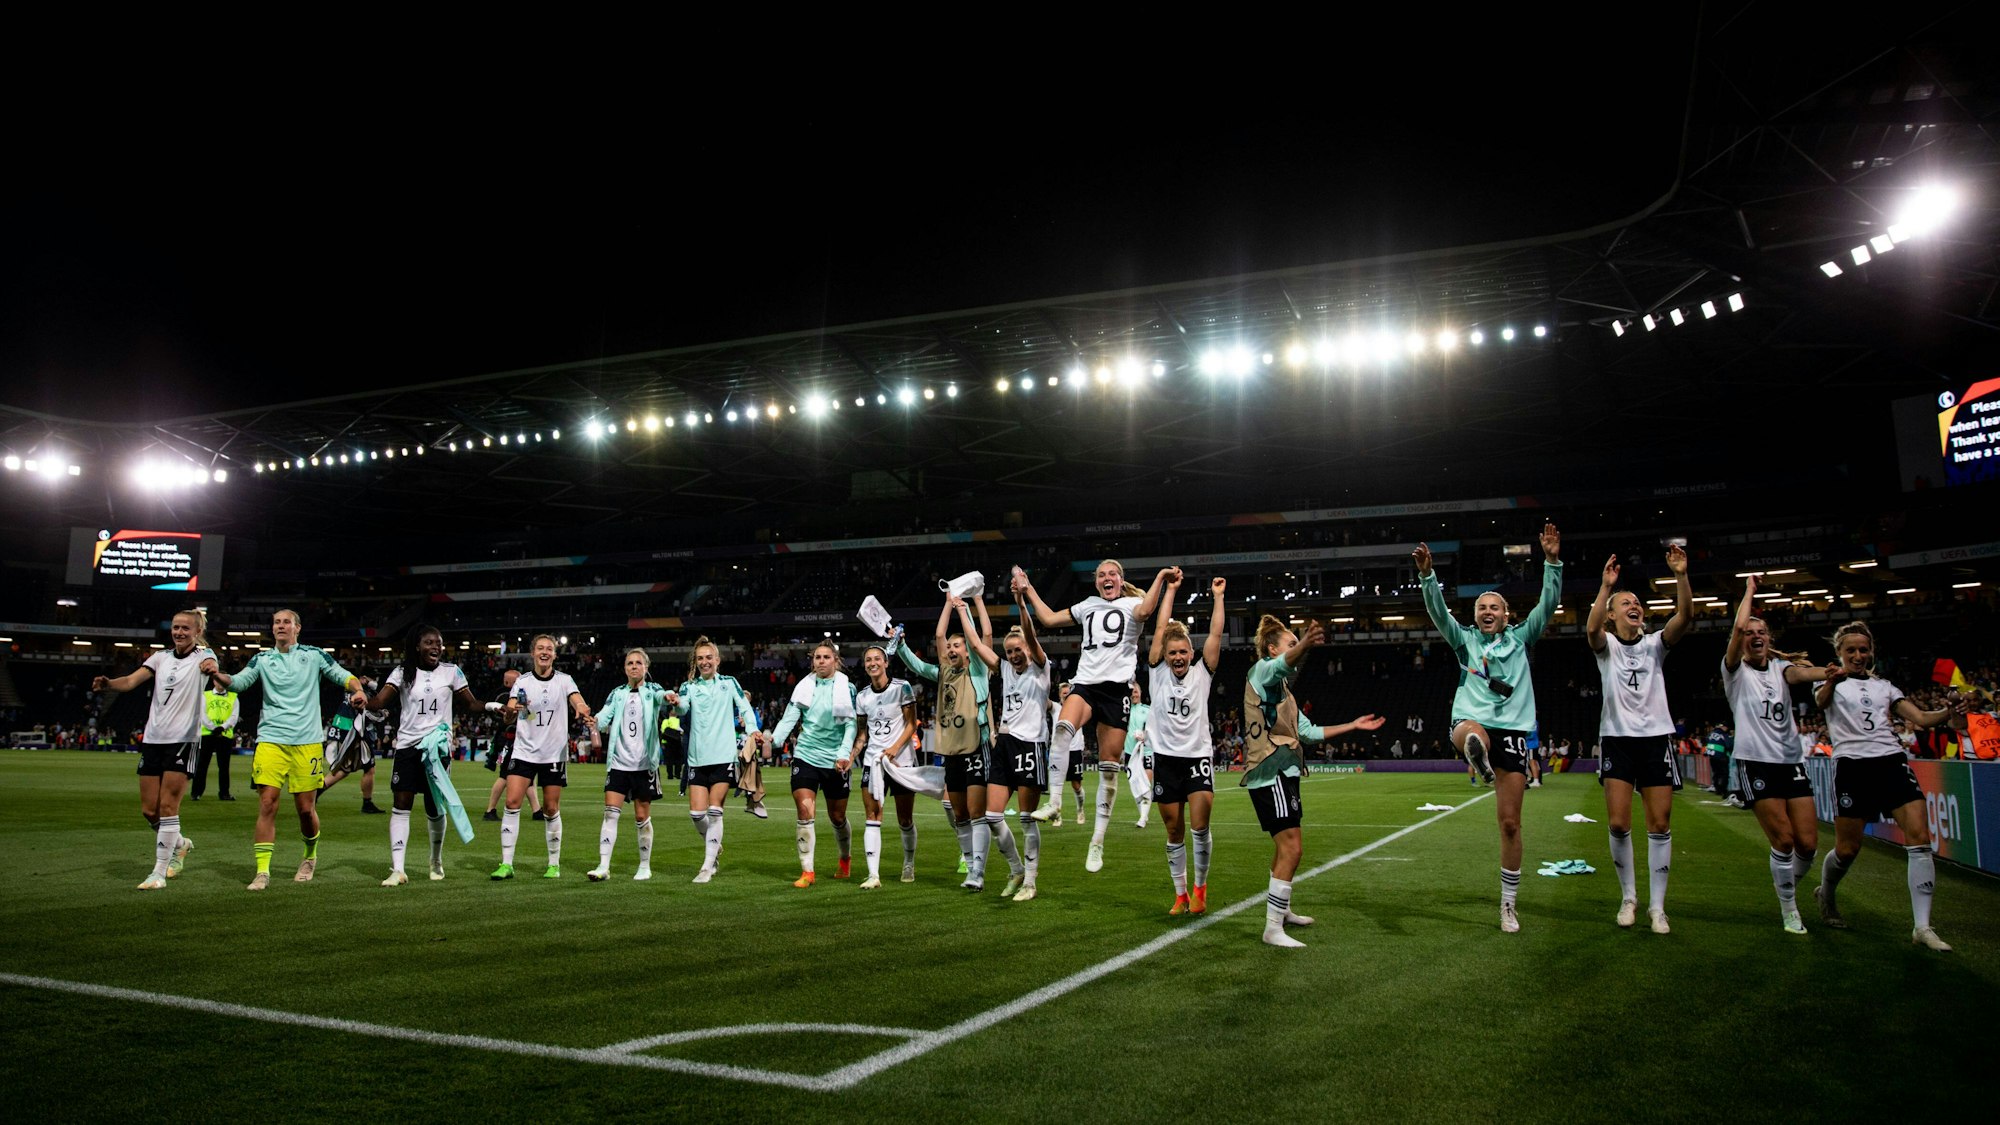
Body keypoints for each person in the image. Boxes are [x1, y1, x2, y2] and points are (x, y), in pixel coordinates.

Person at [1415, 521, 1563, 933]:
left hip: (1513, 730)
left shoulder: (1522, 638)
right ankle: (1477, 753)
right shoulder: (1465, 641)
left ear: (1506, 615)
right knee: (1472, 733)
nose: (1486, 611)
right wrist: (1428, 576)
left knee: (1510, 823)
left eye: (1494, 607)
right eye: (1481, 607)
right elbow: (1438, 612)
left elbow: (1547, 607)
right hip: (1472, 720)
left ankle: (1508, 905)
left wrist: (1552, 562)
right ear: (1475, 615)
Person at [1812, 621, 1968, 950]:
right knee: (1847, 849)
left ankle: (1922, 927)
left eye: (1863, 650)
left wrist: (1950, 710)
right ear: (1839, 653)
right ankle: (1826, 893)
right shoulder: (1831, 684)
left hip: (1891, 762)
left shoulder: (1886, 686)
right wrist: (1831, 679)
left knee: (1919, 839)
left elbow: (1922, 719)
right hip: (1852, 766)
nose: (1857, 655)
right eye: (1850, 650)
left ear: (1871, 653)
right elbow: (1820, 702)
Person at [1016, 560, 1178, 875]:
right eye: (1101, 574)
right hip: (1086, 684)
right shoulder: (1087, 605)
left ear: (1121, 579)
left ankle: (1097, 841)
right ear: (1096, 582)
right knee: (1062, 728)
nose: (1107, 578)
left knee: (1109, 770)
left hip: (1117, 691)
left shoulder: (1133, 604)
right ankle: (1056, 802)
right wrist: (1027, 589)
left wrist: (1159, 576)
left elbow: (1146, 612)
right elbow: (1048, 619)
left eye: (1112, 574)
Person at [1242, 616, 1384, 946]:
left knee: (1283, 849)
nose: (1294, 650)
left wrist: (1353, 725)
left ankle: (1283, 910)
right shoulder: (1261, 672)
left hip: (1286, 771)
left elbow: (1308, 732)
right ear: (1272, 648)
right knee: (1293, 848)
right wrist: (1305, 644)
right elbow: (1280, 665)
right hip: (1270, 770)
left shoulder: (1285, 694)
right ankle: (1272, 927)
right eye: (1289, 644)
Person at [207, 609, 368, 890]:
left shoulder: (314, 655)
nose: (280, 626)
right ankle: (262, 871)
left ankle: (309, 856)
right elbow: (241, 681)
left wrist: (357, 691)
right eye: (276, 622)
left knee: (306, 810)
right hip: (270, 740)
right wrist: (219, 676)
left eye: (286, 622)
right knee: (267, 803)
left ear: (297, 628)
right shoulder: (262, 659)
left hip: (306, 742)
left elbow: (344, 676)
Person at [1586, 543, 1692, 933]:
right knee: (1617, 823)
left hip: (1655, 739)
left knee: (1660, 825)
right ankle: (1629, 897)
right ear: (1614, 615)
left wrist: (1680, 574)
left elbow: (1685, 616)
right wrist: (1605, 587)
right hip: (1617, 738)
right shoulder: (1607, 647)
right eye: (1625, 602)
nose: (1635, 605)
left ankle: (1657, 907)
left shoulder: (1654, 646)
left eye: (1637, 601)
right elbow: (1592, 629)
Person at [1721, 576, 1834, 933]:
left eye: (1763, 631)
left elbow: (1801, 674)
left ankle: (1784, 888)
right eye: (1750, 632)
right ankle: (1789, 909)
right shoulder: (1734, 671)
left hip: (1791, 762)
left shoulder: (1779, 668)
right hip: (1756, 762)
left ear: (1770, 639)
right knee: (1783, 840)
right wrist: (1750, 594)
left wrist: (1829, 673)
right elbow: (1738, 628)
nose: (1756, 635)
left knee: (1809, 844)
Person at [92, 609, 219, 889]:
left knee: (168, 806)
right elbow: (130, 681)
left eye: (186, 628)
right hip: (153, 738)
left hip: (183, 739)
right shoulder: (160, 657)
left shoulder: (203, 656)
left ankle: (158, 873)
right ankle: (181, 843)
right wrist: (109, 683)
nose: (179, 632)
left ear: (197, 632)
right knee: (150, 811)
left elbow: (210, 663)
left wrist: (211, 668)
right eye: (176, 627)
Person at [895, 594, 1006, 889]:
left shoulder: (978, 670)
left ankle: (978, 872)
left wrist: (966, 607)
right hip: (953, 751)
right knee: (959, 813)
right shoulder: (944, 673)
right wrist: (903, 644)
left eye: (959, 645)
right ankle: (969, 865)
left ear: (968, 651)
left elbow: (984, 635)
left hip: (976, 746)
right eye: (951, 646)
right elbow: (929, 650)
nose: (952, 648)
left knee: (976, 812)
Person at [365, 624, 485, 886]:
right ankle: (398, 869)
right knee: (401, 804)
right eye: (430, 643)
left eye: (439, 643)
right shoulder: (402, 672)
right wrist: (361, 698)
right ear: (417, 646)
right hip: (408, 747)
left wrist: (492, 706)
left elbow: (472, 703)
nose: (436, 647)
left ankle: (435, 860)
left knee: (434, 807)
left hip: (437, 750)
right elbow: (380, 702)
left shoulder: (452, 672)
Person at [1145, 575, 1227, 915]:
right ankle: (1180, 894)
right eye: (1172, 652)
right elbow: (1162, 624)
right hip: (1165, 759)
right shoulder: (1156, 671)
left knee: (1199, 825)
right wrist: (1171, 590)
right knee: (1173, 829)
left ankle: (1200, 889)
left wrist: (1218, 597)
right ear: (1164, 654)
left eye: (1183, 652)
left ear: (1191, 654)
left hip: (1197, 757)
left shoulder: (1202, 672)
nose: (1178, 657)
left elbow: (1216, 634)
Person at [964, 589, 1052, 902]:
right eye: (1010, 651)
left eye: (1018, 650)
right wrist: (963, 605)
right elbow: (975, 644)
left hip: (1030, 746)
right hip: (1004, 745)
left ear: (1028, 648)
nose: (1014, 655)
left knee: (1027, 819)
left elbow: (1030, 632)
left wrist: (1020, 603)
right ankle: (1015, 869)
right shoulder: (1003, 669)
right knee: (992, 815)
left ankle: (1030, 880)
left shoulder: (1041, 669)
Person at [491, 635, 594, 880]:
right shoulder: (523, 682)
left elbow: (577, 700)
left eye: (549, 649)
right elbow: (510, 714)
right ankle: (506, 864)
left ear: (555, 655)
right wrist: (509, 713)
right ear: (533, 653)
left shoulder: (564, 680)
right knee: (512, 802)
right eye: (540, 648)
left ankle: (553, 864)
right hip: (524, 751)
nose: (545, 652)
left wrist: (582, 708)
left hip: (553, 753)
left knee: (550, 808)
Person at [668, 637, 766, 884]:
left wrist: (753, 729)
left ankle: (707, 866)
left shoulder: (729, 683)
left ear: (717, 660)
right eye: (700, 658)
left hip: (723, 756)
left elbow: (744, 708)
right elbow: (682, 709)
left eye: (708, 657)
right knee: (696, 814)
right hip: (697, 758)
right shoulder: (688, 687)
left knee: (714, 811)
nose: (704, 662)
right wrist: (677, 703)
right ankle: (715, 847)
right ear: (696, 662)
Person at [770, 642, 859, 888]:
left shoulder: (846, 687)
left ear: (836, 661)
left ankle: (844, 858)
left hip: (835, 760)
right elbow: (790, 716)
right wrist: (774, 739)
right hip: (806, 755)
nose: (821, 661)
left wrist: (844, 754)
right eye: (817, 657)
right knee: (804, 810)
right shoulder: (804, 686)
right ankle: (807, 871)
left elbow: (851, 725)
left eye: (826, 657)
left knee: (837, 816)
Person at [588, 648, 672, 882]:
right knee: (610, 813)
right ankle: (603, 866)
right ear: (625, 668)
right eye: (629, 663)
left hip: (644, 764)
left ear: (646, 667)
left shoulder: (653, 690)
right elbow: (604, 717)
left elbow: (662, 697)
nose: (634, 666)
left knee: (641, 816)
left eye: (638, 663)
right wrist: (594, 720)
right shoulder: (617, 693)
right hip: (619, 763)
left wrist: (669, 697)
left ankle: (644, 866)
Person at [853, 644, 919, 888]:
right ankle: (873, 875)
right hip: (873, 762)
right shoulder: (862, 697)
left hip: (901, 762)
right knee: (872, 815)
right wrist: (852, 756)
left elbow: (911, 724)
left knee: (905, 818)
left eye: (877, 659)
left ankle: (909, 862)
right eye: (868, 659)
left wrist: (894, 749)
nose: (872, 663)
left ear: (885, 662)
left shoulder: (902, 688)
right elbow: (862, 734)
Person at [482, 669, 540, 822]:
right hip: (512, 740)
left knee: (526, 775)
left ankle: (537, 810)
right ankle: (490, 809)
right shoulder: (507, 697)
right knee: (505, 775)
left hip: (517, 739)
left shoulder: (500, 695)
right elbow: (522, 716)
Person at [192, 681, 238, 801]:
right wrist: (214, 728)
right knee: (202, 764)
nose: (221, 684)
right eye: (219, 681)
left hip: (224, 734)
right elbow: (203, 715)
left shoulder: (234, 697)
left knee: (223, 766)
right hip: (208, 734)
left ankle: (224, 793)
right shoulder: (205, 695)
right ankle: (196, 792)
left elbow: (234, 717)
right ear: (214, 681)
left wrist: (222, 727)